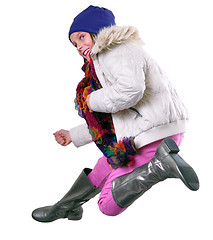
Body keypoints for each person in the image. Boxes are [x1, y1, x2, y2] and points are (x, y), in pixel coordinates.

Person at [32, 5, 199, 222]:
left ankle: (160, 166)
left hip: (153, 133)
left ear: (99, 31)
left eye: (82, 37)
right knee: (103, 167)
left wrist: (92, 100)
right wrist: (74, 135)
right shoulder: (106, 60)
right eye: (74, 44)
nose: (79, 46)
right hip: (148, 130)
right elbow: (114, 121)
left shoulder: (115, 49)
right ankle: (68, 207)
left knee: (107, 205)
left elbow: (131, 90)